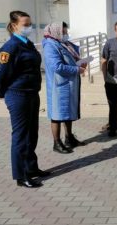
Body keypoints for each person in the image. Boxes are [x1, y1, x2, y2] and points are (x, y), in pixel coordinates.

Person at [0, 11, 50, 188]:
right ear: (14, 26)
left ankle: (31, 168)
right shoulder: (9, 48)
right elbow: (1, 74)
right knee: (20, 136)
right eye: (25, 25)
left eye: (30, 24)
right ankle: (21, 176)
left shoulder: (27, 44)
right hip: (18, 95)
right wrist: (3, 93)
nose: (30, 28)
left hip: (31, 93)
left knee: (32, 133)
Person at [42, 22, 86, 154]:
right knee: (57, 114)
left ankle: (69, 138)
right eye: (64, 32)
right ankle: (57, 142)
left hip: (69, 83)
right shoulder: (50, 46)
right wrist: (76, 69)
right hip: (59, 86)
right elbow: (57, 67)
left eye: (66, 32)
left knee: (68, 112)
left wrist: (80, 62)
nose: (66, 34)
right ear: (56, 32)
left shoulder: (62, 43)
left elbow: (73, 56)